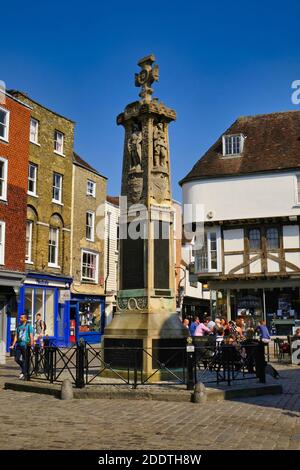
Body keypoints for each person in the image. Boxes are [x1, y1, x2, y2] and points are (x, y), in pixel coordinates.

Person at [10, 314, 34, 379]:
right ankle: (24, 370)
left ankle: (24, 373)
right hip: (19, 345)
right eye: (20, 318)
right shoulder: (18, 327)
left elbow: (31, 336)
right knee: (16, 359)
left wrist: (32, 345)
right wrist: (13, 344)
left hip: (26, 345)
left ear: (25, 319)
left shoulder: (29, 327)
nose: (20, 319)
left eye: (21, 318)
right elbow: (16, 336)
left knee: (25, 359)